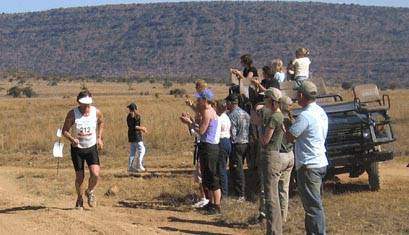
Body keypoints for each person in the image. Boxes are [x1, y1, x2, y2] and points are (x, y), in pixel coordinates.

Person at [286, 81, 328, 235]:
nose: (297, 97)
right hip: (320, 160)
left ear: (302, 95)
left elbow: (290, 136)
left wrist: (286, 123)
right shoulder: (320, 111)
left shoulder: (305, 115)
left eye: (298, 94)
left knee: (312, 207)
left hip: (308, 165)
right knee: (315, 205)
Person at [180, 88, 222, 214]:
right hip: (208, 146)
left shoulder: (207, 113)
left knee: (212, 177)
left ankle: (217, 205)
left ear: (205, 100)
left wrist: (189, 123)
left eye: (199, 99)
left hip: (210, 147)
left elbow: (201, 131)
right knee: (208, 177)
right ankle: (211, 203)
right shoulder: (209, 111)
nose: (197, 101)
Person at [62, 90, 104, 209]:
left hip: (91, 147)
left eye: (88, 103)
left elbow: (101, 123)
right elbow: (64, 130)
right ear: (78, 102)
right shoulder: (72, 114)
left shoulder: (96, 112)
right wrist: (71, 139)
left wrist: (99, 138)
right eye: (84, 103)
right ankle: (79, 199)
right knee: (80, 177)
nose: (87, 106)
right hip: (77, 149)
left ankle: (90, 191)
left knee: (95, 174)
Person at [259, 87, 285, 235]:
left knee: (271, 197)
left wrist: (259, 135)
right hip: (276, 155)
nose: (264, 101)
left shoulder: (274, 117)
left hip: (270, 156)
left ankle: (274, 231)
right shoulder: (279, 116)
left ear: (272, 101)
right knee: (273, 195)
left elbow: (265, 140)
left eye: (266, 99)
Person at [226, 93, 250, 201]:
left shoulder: (232, 115)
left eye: (227, 103)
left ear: (231, 103)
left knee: (237, 169)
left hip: (237, 144)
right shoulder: (245, 113)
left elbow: (232, 132)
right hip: (246, 143)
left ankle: (240, 193)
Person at [278, 96, 295, 223]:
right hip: (290, 154)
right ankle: (283, 216)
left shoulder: (278, 119)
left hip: (280, 155)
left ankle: (274, 217)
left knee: (273, 187)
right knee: (284, 189)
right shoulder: (292, 119)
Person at [216, 99, 232, 197]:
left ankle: (223, 193)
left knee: (221, 169)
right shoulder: (226, 117)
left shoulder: (219, 118)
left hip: (221, 142)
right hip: (227, 142)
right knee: (223, 167)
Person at [127, 102, 148, 172]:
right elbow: (136, 127)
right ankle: (139, 163)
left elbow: (132, 127)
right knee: (142, 150)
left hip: (130, 135)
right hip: (137, 136)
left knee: (132, 152)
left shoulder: (128, 116)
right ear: (135, 109)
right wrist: (142, 128)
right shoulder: (137, 116)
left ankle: (130, 167)